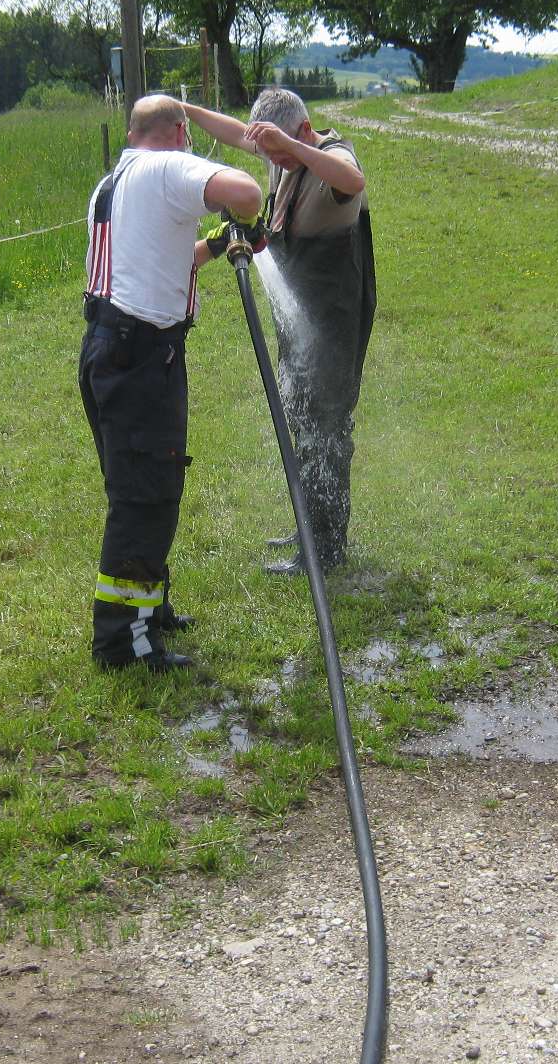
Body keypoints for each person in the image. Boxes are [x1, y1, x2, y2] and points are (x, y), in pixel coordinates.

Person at [81, 93, 264, 672]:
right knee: (144, 498)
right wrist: (242, 215)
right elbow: (248, 192)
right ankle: (123, 643)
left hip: (110, 347)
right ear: (180, 134)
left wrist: (219, 243)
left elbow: (163, 259)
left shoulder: (114, 182)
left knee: (140, 486)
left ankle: (148, 610)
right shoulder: (168, 167)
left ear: (132, 133)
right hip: (141, 356)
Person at [183, 89, 374, 575]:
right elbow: (234, 132)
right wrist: (183, 111)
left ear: (304, 131)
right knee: (301, 417)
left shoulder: (332, 155)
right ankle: (309, 525)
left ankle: (325, 549)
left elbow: (354, 180)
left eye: (281, 151)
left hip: (334, 318)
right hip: (300, 319)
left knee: (327, 427)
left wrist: (293, 149)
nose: (274, 162)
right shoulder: (284, 153)